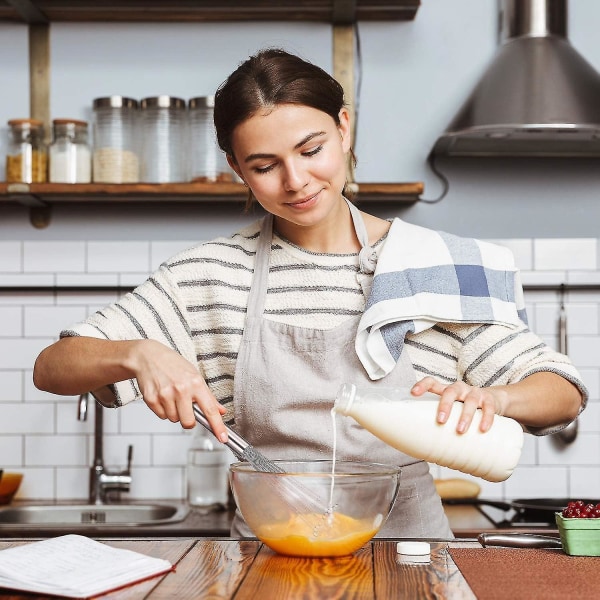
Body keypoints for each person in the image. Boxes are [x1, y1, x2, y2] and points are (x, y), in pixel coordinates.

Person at [34, 48, 586, 539]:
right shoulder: (210, 275)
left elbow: (562, 393)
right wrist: (137, 352)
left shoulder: (433, 264)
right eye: (264, 165)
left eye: (311, 149)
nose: (295, 180)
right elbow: (52, 367)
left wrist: (500, 399)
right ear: (237, 169)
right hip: (268, 557)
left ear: (344, 128)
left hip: (411, 553)